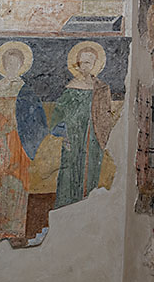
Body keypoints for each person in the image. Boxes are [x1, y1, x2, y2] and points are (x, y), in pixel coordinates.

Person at [0, 41, 47, 270]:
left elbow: (39, 123)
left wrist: (20, 127)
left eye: (16, 63)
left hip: (17, 150)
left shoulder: (26, 91)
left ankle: (14, 240)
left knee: (15, 192)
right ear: (3, 65)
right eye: (8, 63)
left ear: (21, 65)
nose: (12, 67)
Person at [50, 41, 117, 208]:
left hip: (94, 137)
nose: (86, 66)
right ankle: (66, 208)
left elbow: (106, 112)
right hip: (73, 137)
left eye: (90, 62)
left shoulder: (101, 88)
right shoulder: (71, 88)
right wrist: (65, 132)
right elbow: (59, 114)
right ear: (78, 64)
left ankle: (88, 208)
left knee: (91, 171)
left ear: (95, 64)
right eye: (83, 62)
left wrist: (106, 131)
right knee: (70, 172)